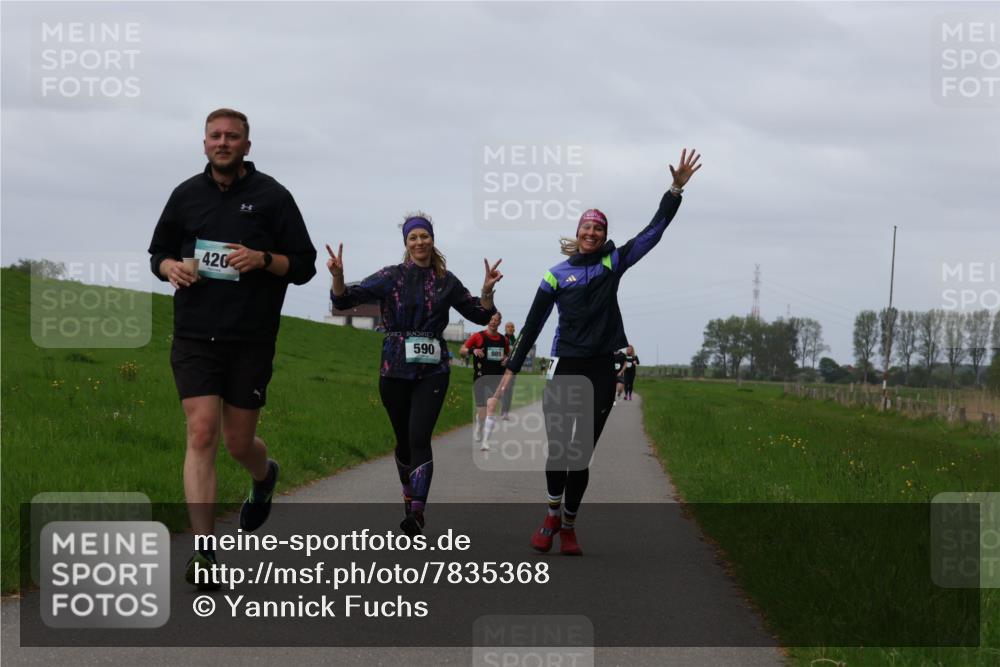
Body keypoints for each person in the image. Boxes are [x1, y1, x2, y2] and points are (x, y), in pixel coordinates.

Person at [493, 148, 701, 556]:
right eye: (585, 228)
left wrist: (675, 190)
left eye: (597, 229)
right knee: (559, 448)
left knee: (581, 452)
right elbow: (533, 324)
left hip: (602, 367)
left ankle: (568, 525)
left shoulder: (614, 262)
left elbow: (652, 232)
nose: (590, 233)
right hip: (563, 363)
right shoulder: (555, 275)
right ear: (577, 232)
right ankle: (551, 515)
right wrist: (511, 371)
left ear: (603, 235)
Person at [147, 108, 317, 588]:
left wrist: (264, 258)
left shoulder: (273, 197)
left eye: (232, 136)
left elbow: (303, 265)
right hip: (196, 335)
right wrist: (169, 270)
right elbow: (157, 252)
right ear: (204, 143)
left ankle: (264, 476)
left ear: (246, 145)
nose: (222, 142)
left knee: (237, 443)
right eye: (215, 135)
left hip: (251, 338)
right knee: (201, 434)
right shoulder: (186, 195)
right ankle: (203, 554)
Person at [328, 213, 502, 536]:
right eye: (413, 238)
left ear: (432, 240)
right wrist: (338, 276)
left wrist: (487, 291)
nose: (420, 242)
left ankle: (418, 513)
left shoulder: (446, 281)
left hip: (433, 371)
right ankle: (409, 498)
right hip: (393, 368)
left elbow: (480, 313)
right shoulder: (390, 277)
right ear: (406, 244)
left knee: (420, 436)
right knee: (404, 442)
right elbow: (344, 300)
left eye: (424, 236)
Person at [459, 312, 510, 450]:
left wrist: (506, 359)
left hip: (496, 379)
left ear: (500, 323)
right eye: (491, 319)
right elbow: (462, 350)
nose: (493, 322)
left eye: (496, 320)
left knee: (491, 408)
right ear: (488, 320)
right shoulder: (478, 336)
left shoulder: (503, 340)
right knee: (482, 414)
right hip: (481, 378)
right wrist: (472, 350)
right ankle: (479, 426)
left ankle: (486, 441)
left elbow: (508, 355)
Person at [500, 322, 518, 419]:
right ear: (505, 329)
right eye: (508, 327)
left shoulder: (517, 341)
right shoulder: (501, 339)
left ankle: (505, 412)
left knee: (508, 390)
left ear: (514, 329)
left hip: (512, 369)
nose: (510, 328)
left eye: (512, 326)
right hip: (502, 368)